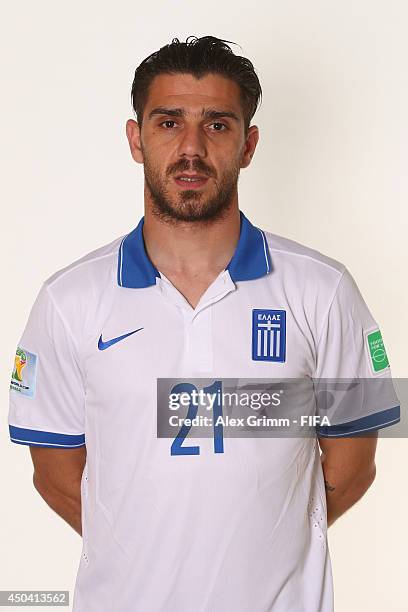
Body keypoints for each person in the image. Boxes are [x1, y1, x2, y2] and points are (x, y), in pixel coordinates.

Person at [8, 36, 400, 612]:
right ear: (136, 139)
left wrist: (268, 545)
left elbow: (353, 463)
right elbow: (55, 472)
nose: (190, 147)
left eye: (217, 125)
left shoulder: (324, 289)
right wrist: (144, 554)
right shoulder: (69, 300)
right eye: (168, 122)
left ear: (248, 144)